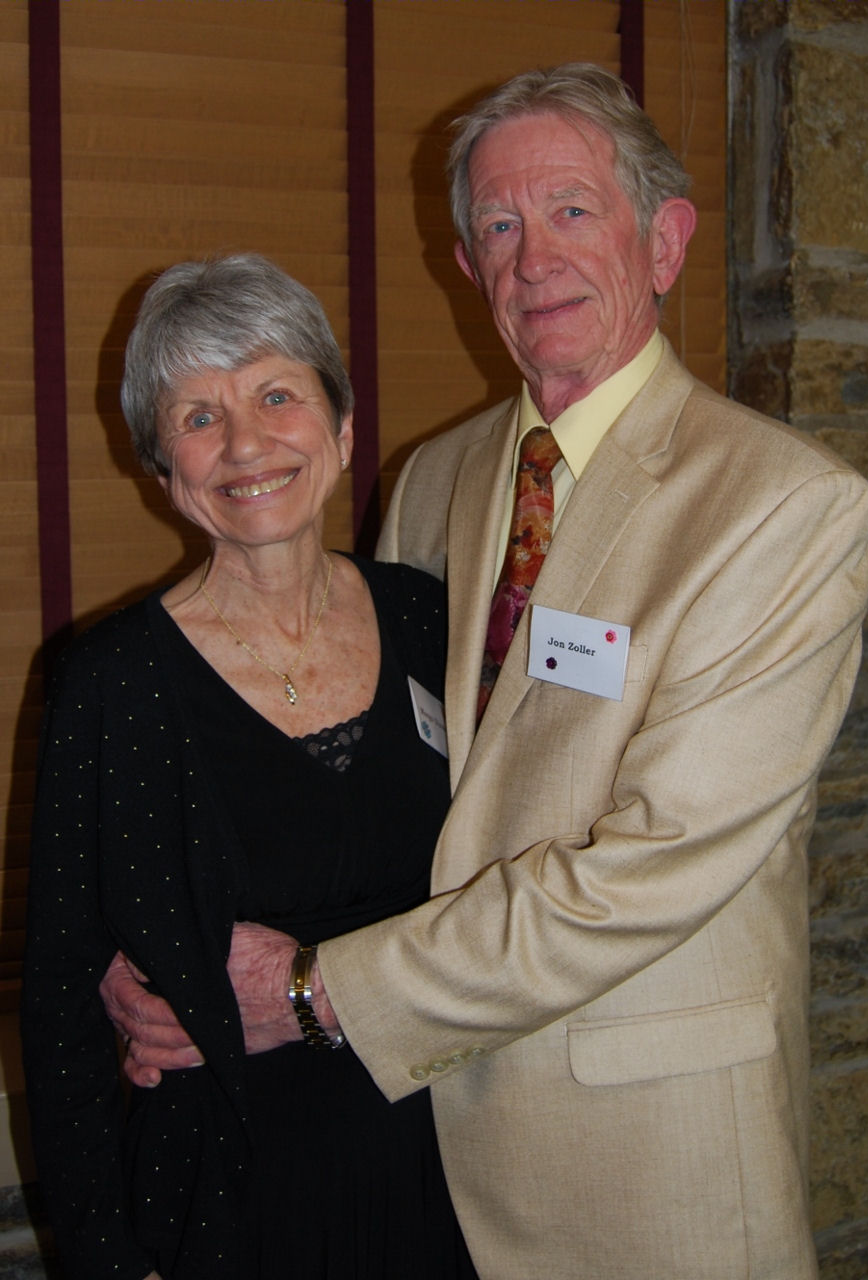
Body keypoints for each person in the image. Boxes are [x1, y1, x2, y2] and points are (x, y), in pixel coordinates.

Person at [103, 66, 868, 1278]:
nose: (533, 259)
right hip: (418, 1153)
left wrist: (311, 993)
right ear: (467, 268)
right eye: (500, 227)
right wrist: (164, 951)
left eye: (571, 210)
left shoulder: (778, 506)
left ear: (664, 240)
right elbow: (348, 775)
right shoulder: (435, 480)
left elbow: (652, 865)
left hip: (643, 1162)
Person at [21, 253, 479, 1280]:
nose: (244, 444)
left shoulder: (430, 619)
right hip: (228, 1198)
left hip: (454, 1168)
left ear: (342, 427)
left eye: (278, 395)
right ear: (163, 471)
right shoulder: (110, 683)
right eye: (198, 416)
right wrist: (108, 1261)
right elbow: (61, 1012)